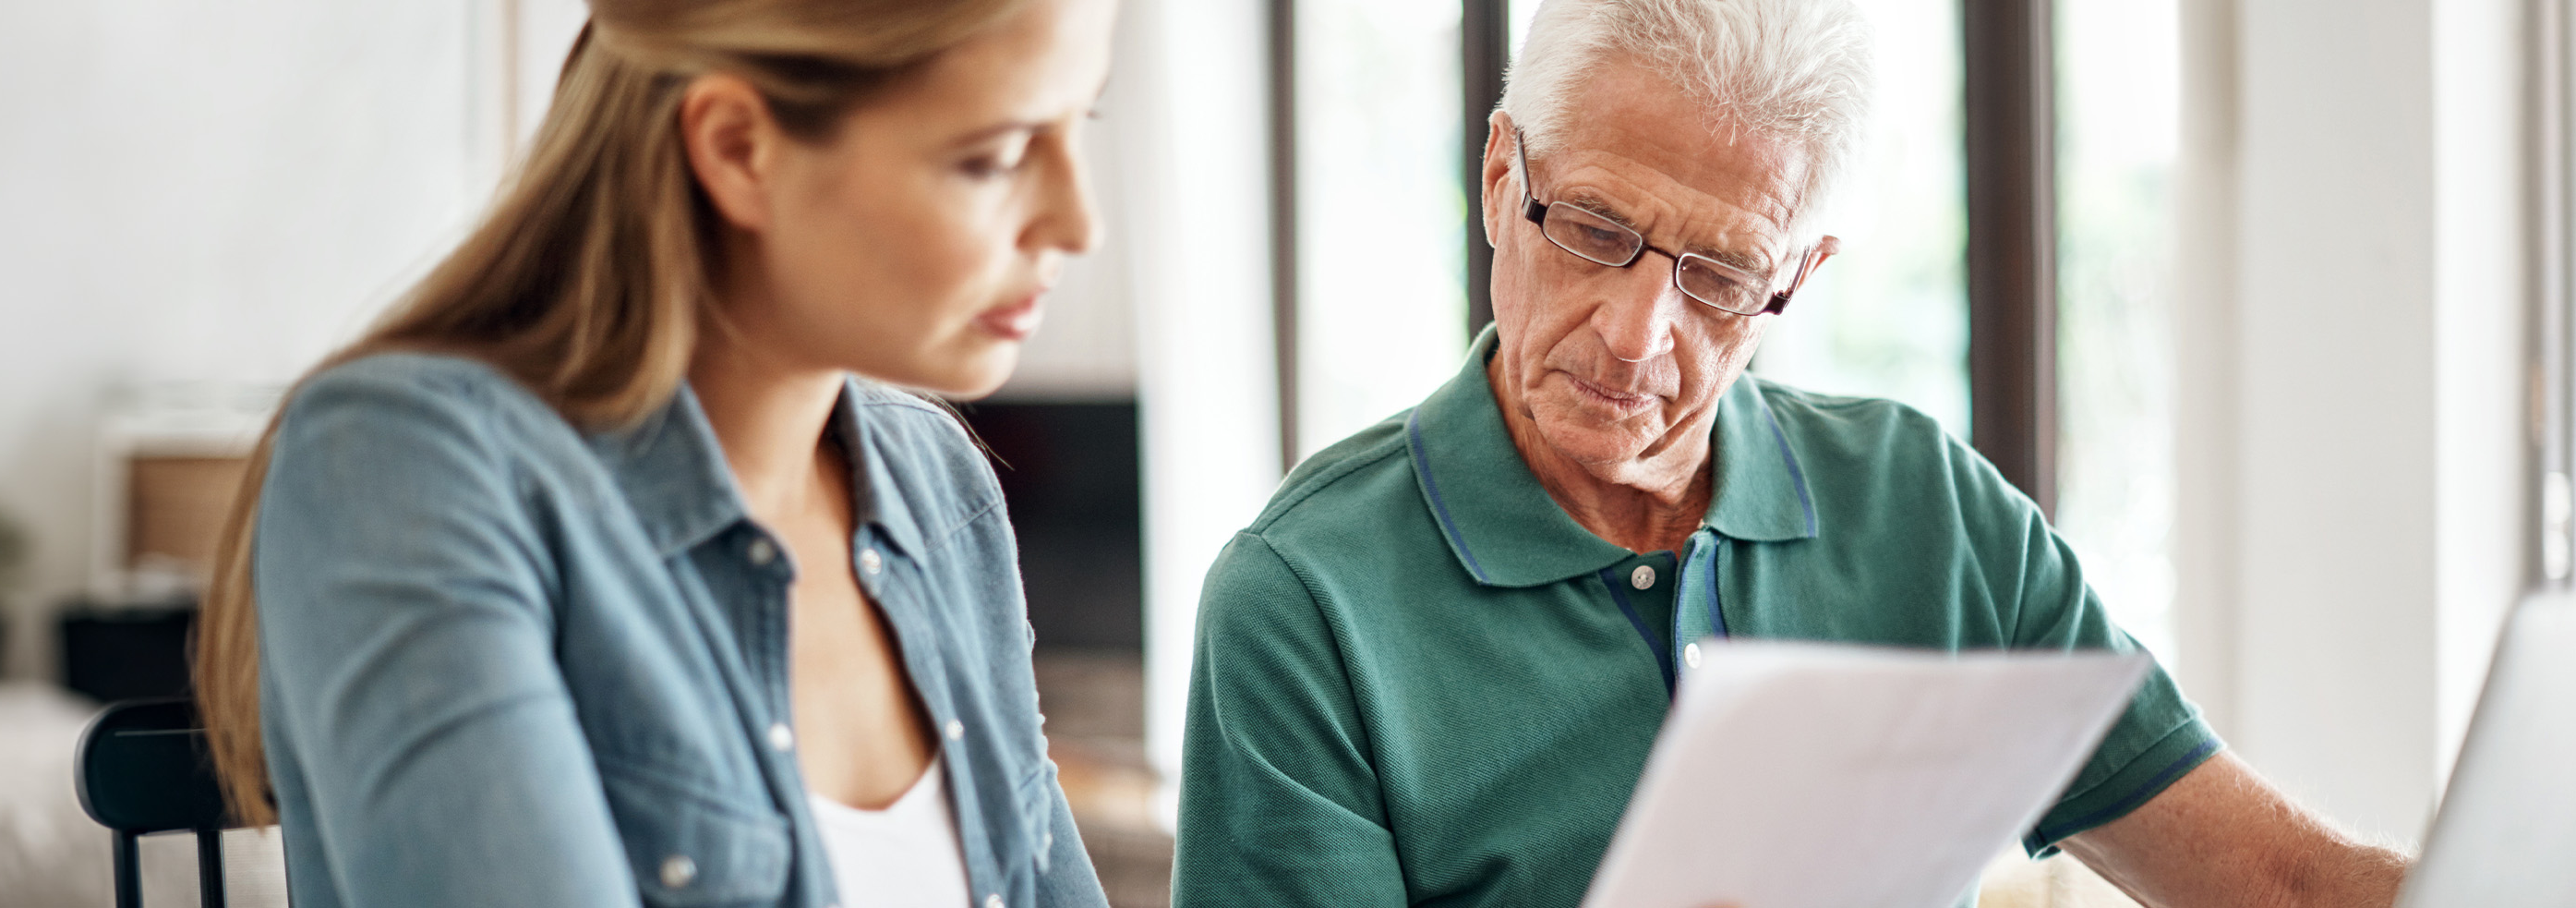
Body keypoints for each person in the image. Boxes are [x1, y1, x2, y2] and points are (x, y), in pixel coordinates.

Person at [1173, 0, 2412, 906]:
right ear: (1505, 178)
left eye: (1718, 277)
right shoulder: (1303, 597)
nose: (1637, 332)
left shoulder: (1924, 509)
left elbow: (2279, 880)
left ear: (1799, 277)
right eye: (1597, 228)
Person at [184, 0, 1117, 905]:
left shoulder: (941, 487)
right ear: (739, 149)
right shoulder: (404, 468)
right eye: (994, 158)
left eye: (1082, 124)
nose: (1080, 224)